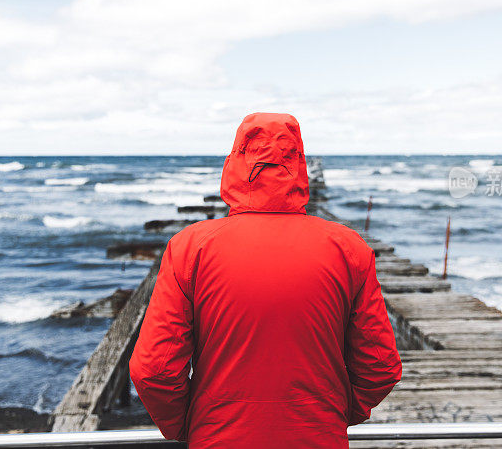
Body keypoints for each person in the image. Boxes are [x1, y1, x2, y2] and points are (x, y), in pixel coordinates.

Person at [130, 113, 401, 448]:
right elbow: (381, 365)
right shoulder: (348, 248)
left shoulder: (189, 247)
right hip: (318, 437)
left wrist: (186, 425)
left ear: (234, 163)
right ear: (299, 164)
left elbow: (154, 370)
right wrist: (334, 414)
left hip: (217, 438)